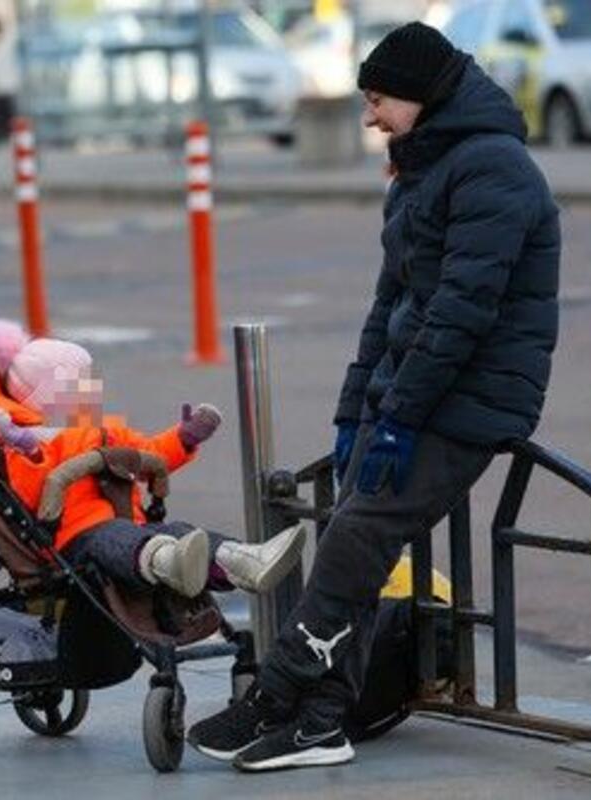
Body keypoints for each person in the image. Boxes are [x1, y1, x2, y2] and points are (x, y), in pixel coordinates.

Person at [187, 21, 561, 772]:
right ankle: (322, 723)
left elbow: (461, 313)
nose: (369, 117)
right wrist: (355, 411)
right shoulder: (424, 170)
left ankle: (278, 694)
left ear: (422, 96)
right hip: (412, 395)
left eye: (379, 99)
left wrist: (399, 418)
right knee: (351, 542)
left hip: (470, 400)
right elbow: (388, 305)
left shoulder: (495, 170)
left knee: (358, 534)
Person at [0, 319, 307, 598]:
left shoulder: (104, 430)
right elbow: (31, 494)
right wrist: (28, 450)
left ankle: (242, 560)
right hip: (74, 538)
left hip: (132, 524)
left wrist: (183, 437)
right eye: (78, 383)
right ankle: (172, 565)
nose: (90, 388)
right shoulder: (31, 444)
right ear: (46, 397)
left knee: (180, 532)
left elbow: (150, 452)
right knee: (119, 540)